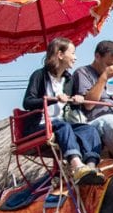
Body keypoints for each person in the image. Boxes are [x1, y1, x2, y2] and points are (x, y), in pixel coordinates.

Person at [23, 38, 104, 185]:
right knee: (62, 125)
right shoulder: (39, 76)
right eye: (72, 53)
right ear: (60, 55)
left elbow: (70, 106)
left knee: (89, 129)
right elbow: (27, 102)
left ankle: (91, 167)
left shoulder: (68, 79)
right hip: (39, 125)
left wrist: (77, 100)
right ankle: (77, 166)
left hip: (60, 123)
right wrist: (53, 99)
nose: (75, 57)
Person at [71, 40, 113, 159]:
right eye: (109, 64)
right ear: (97, 56)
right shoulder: (82, 73)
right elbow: (88, 105)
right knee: (111, 122)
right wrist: (104, 77)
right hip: (93, 124)